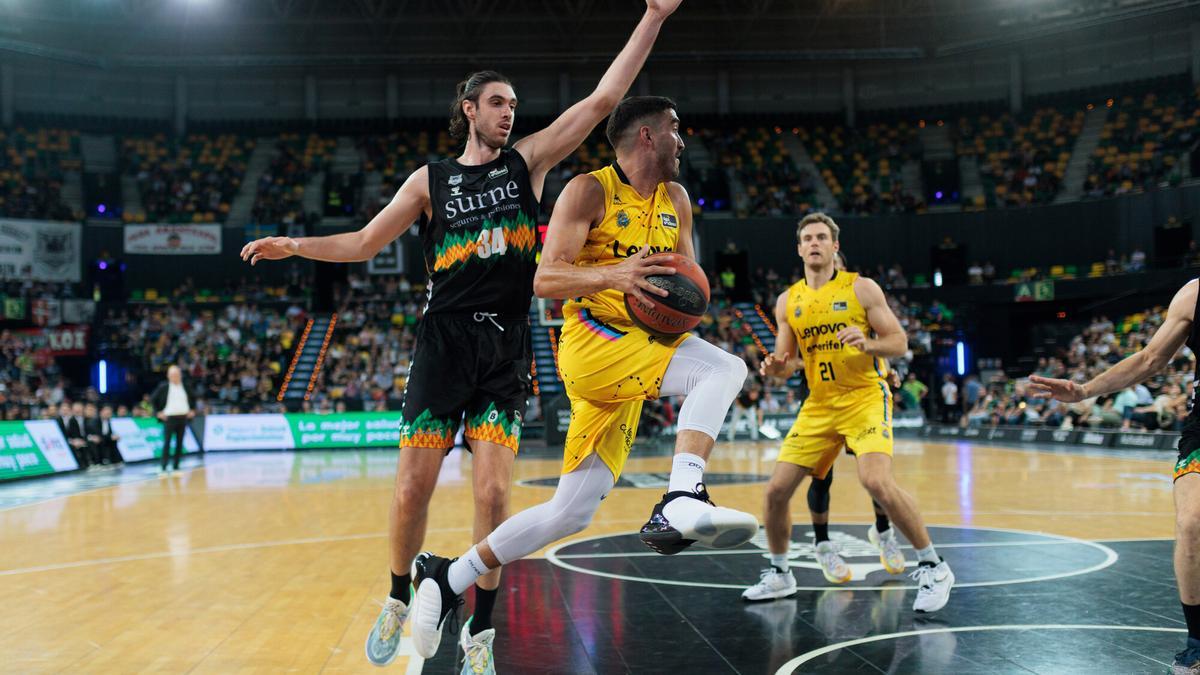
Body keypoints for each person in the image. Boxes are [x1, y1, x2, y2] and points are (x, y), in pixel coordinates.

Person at [240, 2, 683, 669]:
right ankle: (397, 595)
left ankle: (480, 631)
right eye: (498, 103)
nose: (511, 113)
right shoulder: (430, 180)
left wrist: (652, 16)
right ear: (470, 109)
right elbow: (364, 242)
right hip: (442, 342)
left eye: (514, 104)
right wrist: (294, 244)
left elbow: (603, 100)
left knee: (495, 495)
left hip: (503, 345)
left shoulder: (527, 165)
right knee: (411, 487)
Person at [406, 95, 759, 661]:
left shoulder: (677, 200)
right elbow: (544, 279)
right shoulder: (588, 190)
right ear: (646, 137)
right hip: (593, 344)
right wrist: (616, 274)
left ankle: (447, 576)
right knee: (725, 368)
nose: (682, 139)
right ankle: (681, 495)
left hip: (640, 347)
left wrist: (678, 307)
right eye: (674, 128)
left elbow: (685, 286)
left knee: (570, 511)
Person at [741, 213, 953, 612]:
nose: (815, 243)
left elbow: (900, 342)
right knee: (775, 492)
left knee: (875, 481)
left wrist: (868, 345)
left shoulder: (861, 288)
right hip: (819, 405)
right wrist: (775, 368)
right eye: (808, 238)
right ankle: (781, 573)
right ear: (799, 248)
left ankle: (934, 565)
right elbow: (786, 361)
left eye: (822, 237)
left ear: (835, 246)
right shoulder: (789, 300)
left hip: (864, 397)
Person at [1027, 278, 1200, 672]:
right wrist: (1084, 390)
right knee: (1191, 523)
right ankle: (1197, 642)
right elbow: (1149, 360)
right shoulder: (1193, 293)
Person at [151, 365, 195, 474]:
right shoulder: (164, 387)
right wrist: (158, 413)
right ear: (168, 376)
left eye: (176, 374)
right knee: (167, 442)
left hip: (183, 417)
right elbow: (153, 399)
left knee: (180, 443)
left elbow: (193, 399)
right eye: (172, 375)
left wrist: (192, 410)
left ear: (180, 375)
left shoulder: (186, 386)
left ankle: (176, 465)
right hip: (169, 418)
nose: (174, 377)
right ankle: (164, 466)